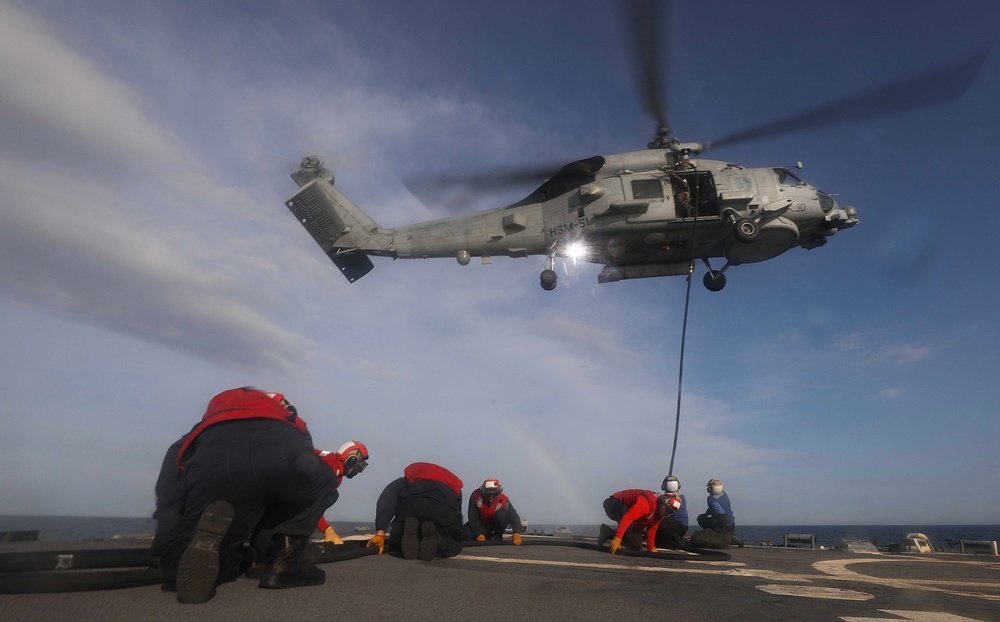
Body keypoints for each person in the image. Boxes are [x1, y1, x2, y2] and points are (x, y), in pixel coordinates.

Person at [152, 387, 367, 603]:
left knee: (189, 556)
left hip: (215, 455)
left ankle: (192, 557)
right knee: (321, 483)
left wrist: (165, 538)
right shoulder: (292, 423)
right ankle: (281, 562)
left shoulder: (215, 416)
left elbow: (175, 464)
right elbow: (303, 450)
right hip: (279, 449)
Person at [366, 462, 464, 561]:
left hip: (410, 505)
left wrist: (380, 531)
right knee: (453, 545)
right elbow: (457, 513)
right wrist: (455, 536)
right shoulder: (452, 481)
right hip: (439, 507)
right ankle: (438, 540)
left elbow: (388, 496)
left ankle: (407, 533)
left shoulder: (411, 475)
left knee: (398, 535)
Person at [313, 441, 370, 544]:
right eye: (359, 463)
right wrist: (327, 529)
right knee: (331, 497)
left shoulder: (334, 468)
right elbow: (311, 504)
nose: (359, 470)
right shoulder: (331, 467)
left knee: (333, 495)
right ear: (352, 460)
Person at [597, 489, 681, 554]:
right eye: (668, 511)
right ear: (663, 503)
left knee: (635, 547)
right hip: (612, 504)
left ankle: (606, 532)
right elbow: (627, 518)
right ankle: (616, 536)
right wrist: (618, 539)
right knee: (625, 518)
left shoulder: (660, 512)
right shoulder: (646, 503)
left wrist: (651, 547)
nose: (668, 515)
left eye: (671, 513)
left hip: (626, 511)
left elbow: (652, 527)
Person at [462, 478, 524, 545]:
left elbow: (513, 516)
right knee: (465, 534)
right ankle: (486, 536)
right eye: (488, 495)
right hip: (481, 524)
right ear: (483, 492)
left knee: (503, 514)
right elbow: (473, 517)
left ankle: (497, 536)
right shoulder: (476, 496)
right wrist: (478, 534)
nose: (491, 497)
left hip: (494, 524)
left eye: (494, 494)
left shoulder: (503, 500)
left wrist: (516, 533)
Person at [696, 478, 742, 547]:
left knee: (701, 519)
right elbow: (714, 508)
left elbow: (722, 516)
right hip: (731, 524)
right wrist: (705, 514)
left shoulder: (711, 500)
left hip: (723, 525)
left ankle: (724, 536)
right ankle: (728, 535)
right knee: (704, 518)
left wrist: (723, 533)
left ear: (710, 489)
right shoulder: (724, 494)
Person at [654, 475, 689, 549]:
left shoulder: (668, 498)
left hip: (676, 526)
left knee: (658, 522)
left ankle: (678, 540)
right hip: (682, 526)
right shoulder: (681, 496)